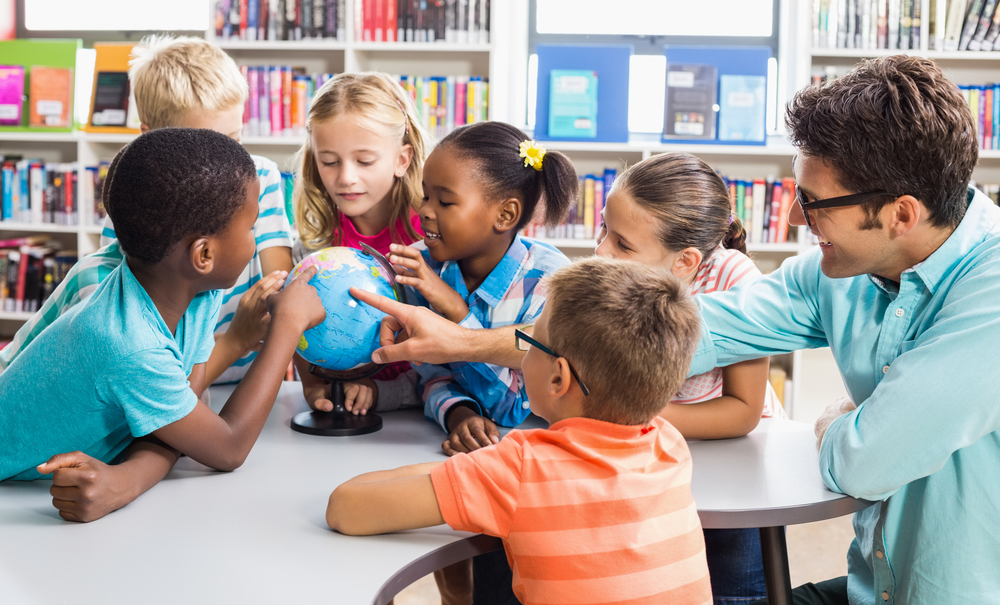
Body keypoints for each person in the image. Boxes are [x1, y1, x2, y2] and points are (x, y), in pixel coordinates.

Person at [669, 56, 999, 605]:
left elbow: (864, 461)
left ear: (901, 214)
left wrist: (833, 422)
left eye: (813, 202)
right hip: (875, 588)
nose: (797, 219)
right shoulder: (841, 271)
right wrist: (491, 344)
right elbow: (695, 331)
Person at [329, 258, 713, 605]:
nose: (522, 352)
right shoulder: (669, 444)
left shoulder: (520, 469)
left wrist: (475, 469)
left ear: (558, 378)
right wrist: (471, 471)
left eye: (529, 342)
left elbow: (346, 508)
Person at [0, 130, 324, 520]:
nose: (256, 242)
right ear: (204, 254)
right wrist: (287, 326)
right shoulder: (128, 344)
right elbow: (227, 448)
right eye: (251, 226)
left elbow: (185, 411)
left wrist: (128, 480)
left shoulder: (194, 290)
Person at [334, 121, 577, 605]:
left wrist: (455, 311)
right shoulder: (424, 266)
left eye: (444, 202)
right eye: (426, 196)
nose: (423, 213)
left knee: (508, 585)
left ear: (505, 214)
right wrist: (456, 411)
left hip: (535, 478)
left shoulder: (551, 282)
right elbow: (431, 371)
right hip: (473, 463)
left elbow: (518, 400)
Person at [0, 35, 295, 388]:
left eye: (235, 140)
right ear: (149, 140)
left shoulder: (260, 176)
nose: (230, 164)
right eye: (207, 149)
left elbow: (281, 290)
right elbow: (133, 343)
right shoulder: (139, 200)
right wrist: (234, 341)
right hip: (166, 381)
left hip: (244, 381)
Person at [595, 151, 783, 604]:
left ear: (685, 262)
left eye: (621, 243)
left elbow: (742, 412)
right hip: (653, 449)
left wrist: (640, 412)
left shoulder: (737, 283)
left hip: (734, 457)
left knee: (735, 586)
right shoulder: (608, 276)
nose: (601, 250)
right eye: (604, 229)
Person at [291, 71, 428, 389]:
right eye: (329, 161)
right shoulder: (315, 245)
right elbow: (302, 339)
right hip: (345, 404)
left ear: (402, 160)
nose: (346, 177)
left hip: (427, 404)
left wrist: (387, 394)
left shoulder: (431, 240)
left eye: (364, 161)